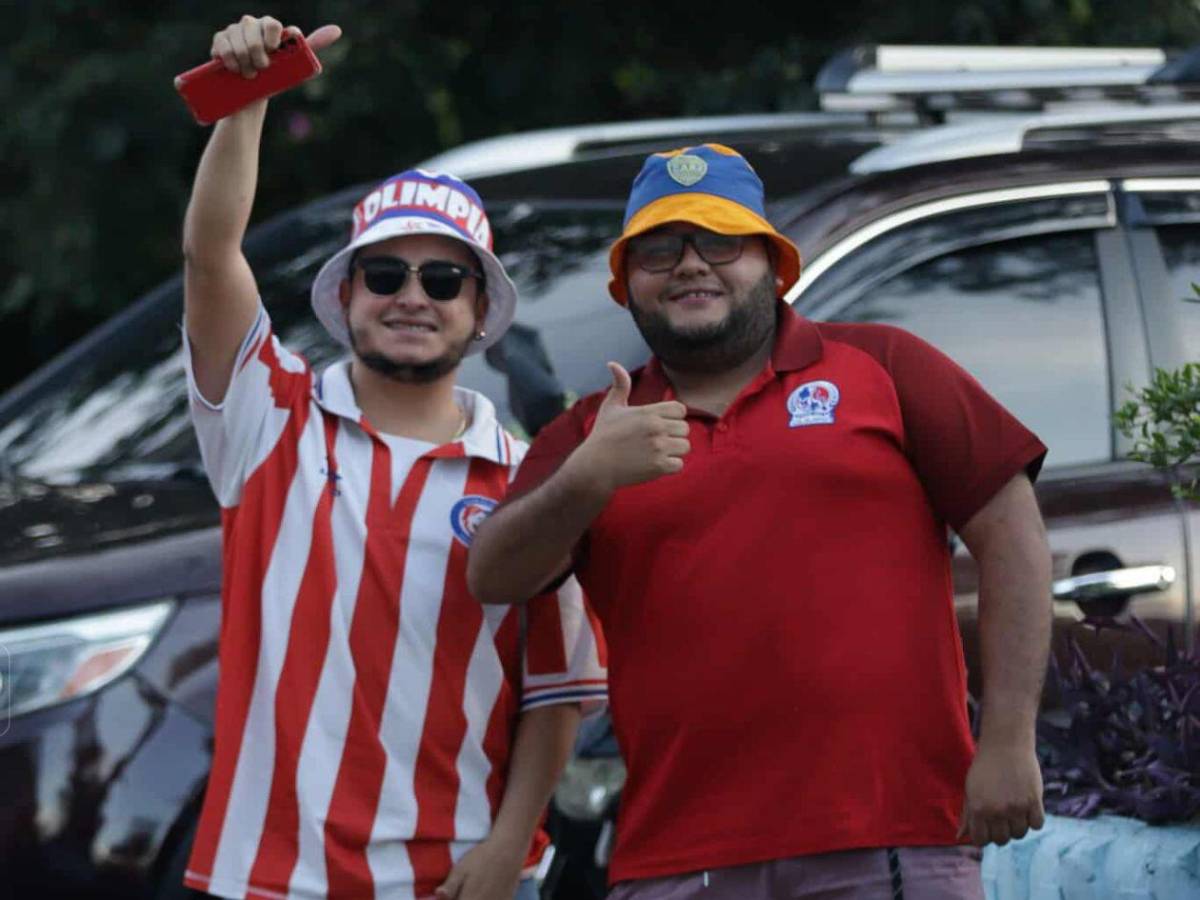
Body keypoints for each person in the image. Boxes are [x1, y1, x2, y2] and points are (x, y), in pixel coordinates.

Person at [467, 142, 1052, 898]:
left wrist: (1008, 737)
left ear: (775, 267)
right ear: (625, 286)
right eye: (657, 250)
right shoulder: (593, 430)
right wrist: (585, 480)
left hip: (889, 837)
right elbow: (495, 574)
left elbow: (1011, 533)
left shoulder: (884, 364)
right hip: (679, 859)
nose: (689, 264)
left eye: (719, 240)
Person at [180, 16, 606, 900]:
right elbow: (211, 252)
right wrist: (246, 105)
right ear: (347, 294)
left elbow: (558, 691)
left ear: (480, 307)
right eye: (386, 274)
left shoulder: (531, 476)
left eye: (444, 279)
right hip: (267, 878)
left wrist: (508, 848)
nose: (413, 297)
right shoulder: (272, 417)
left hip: (461, 880)